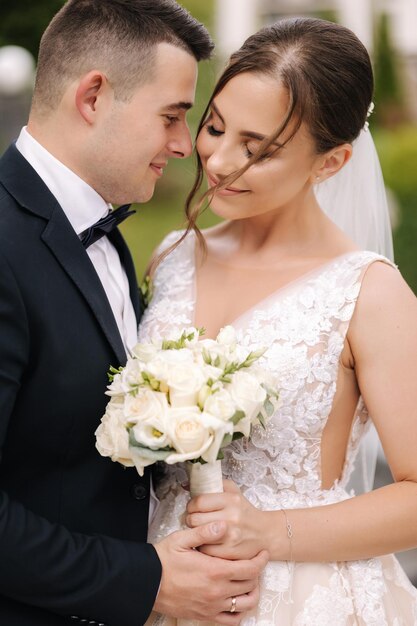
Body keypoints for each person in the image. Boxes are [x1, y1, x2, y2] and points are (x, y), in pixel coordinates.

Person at [138, 16, 417, 625]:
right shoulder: (174, 257)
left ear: (331, 163)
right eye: (214, 127)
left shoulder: (369, 293)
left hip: (297, 596)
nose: (217, 159)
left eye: (257, 149)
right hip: (161, 581)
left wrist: (268, 531)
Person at [0, 1, 269, 625]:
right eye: (173, 116)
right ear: (94, 96)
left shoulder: (112, 236)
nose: (185, 146)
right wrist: (145, 582)